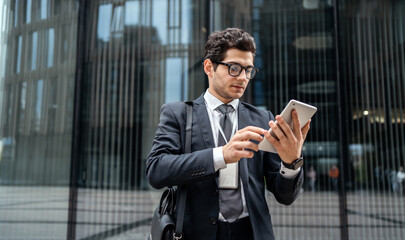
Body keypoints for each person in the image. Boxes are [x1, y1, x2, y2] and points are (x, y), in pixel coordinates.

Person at [146, 28, 311, 240]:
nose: (243, 77)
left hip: (251, 233)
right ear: (209, 67)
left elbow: (285, 196)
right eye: (234, 68)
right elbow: (156, 170)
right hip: (196, 234)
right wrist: (221, 155)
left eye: (248, 70)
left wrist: (290, 164)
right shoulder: (178, 115)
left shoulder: (262, 118)